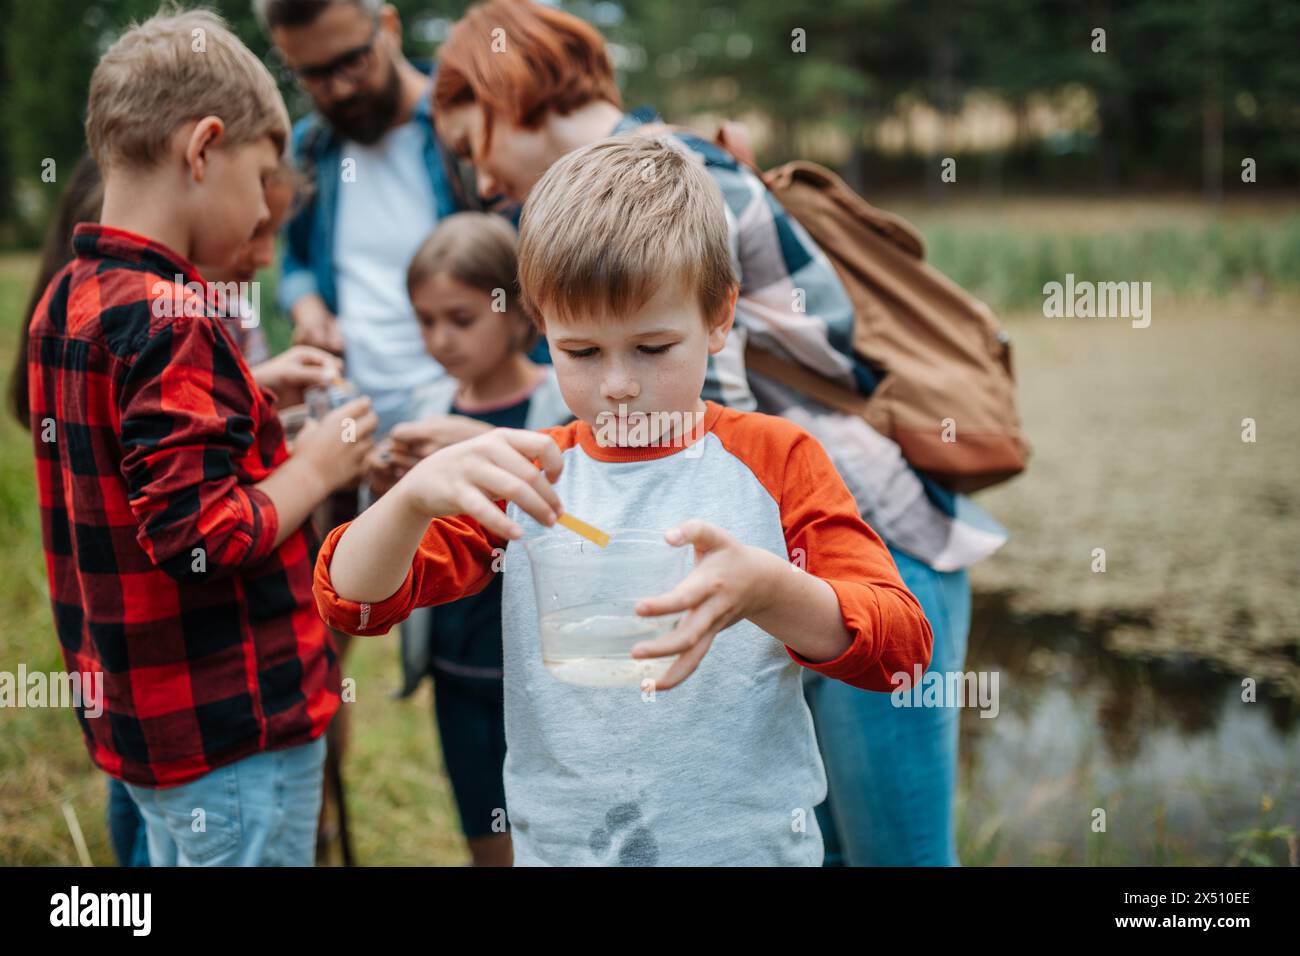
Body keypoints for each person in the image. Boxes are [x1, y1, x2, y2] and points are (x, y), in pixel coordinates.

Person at [431, 0, 1008, 866]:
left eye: (474, 147)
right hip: (748, 563)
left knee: (894, 850)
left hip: (856, 536)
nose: (478, 182)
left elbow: (695, 427)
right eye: (580, 346)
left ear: (512, 93)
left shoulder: (686, 184)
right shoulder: (618, 199)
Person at [314, 133, 933, 866]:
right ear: (541, 327)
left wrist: (770, 590)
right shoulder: (531, 473)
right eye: (581, 352)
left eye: (652, 348)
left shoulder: (776, 460)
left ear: (718, 317)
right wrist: (412, 498)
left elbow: (901, 654)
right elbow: (352, 602)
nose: (617, 384)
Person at [26, 9, 376, 866]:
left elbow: (130, 449)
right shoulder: (175, 317)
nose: (265, 210)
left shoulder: (73, 297)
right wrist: (318, 461)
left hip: (151, 727)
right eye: (261, 181)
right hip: (235, 730)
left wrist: (253, 394)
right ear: (202, 149)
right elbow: (203, 534)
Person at [366, 212, 571, 867]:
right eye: (425, 321)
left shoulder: (558, 408)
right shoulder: (428, 405)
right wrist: (386, 488)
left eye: (460, 319)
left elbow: (576, 517)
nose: (441, 339)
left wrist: (479, 451)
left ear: (515, 312)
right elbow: (404, 536)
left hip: (542, 671)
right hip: (456, 668)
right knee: (486, 833)